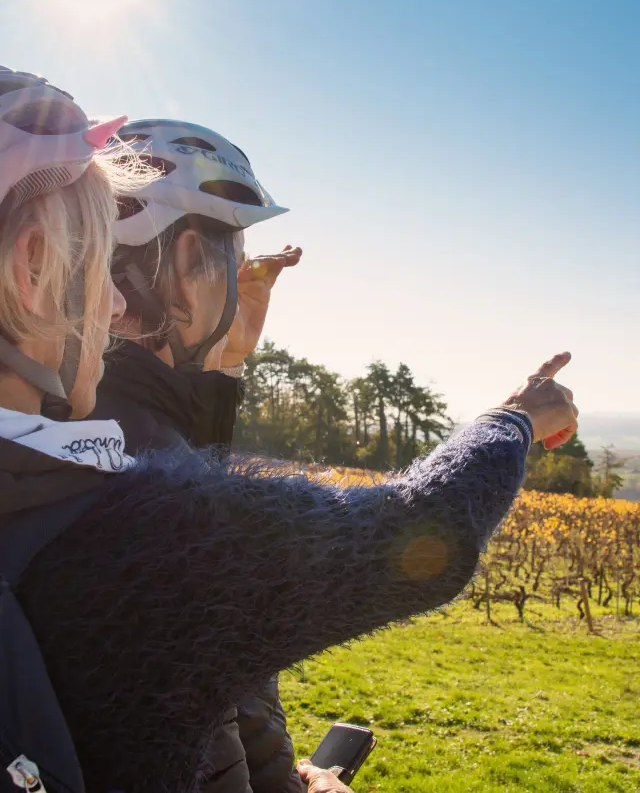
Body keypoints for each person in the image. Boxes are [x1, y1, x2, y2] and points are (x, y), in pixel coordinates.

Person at [0, 66, 579, 793]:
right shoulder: (129, 523)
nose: (112, 303)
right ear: (31, 268)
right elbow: (422, 531)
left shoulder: (67, 463)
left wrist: (219, 366)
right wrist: (517, 417)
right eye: (227, 255)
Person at [92, 119, 304, 793]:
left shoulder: (87, 426)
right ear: (189, 261)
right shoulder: (160, 506)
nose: (237, 275)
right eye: (229, 252)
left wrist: (222, 364)